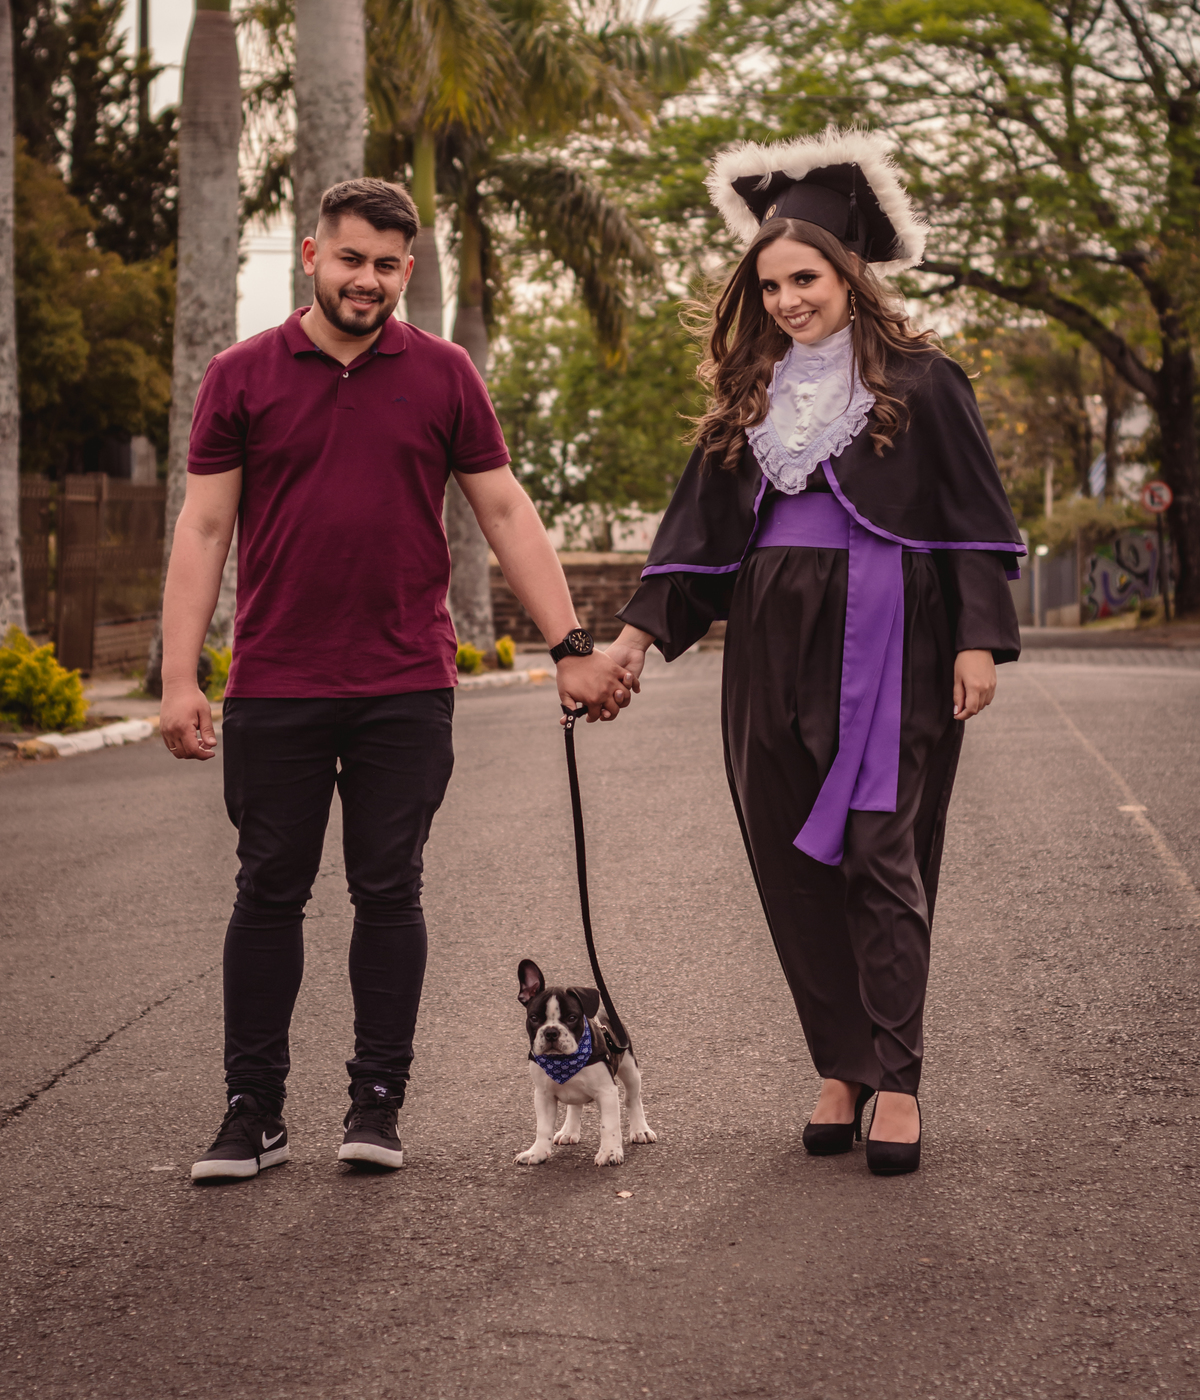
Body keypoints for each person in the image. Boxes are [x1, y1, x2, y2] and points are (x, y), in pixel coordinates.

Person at [161, 177, 636, 1184]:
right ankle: (253, 1112)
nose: (366, 280)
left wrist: (572, 647)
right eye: (349, 259)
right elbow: (203, 527)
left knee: (389, 891)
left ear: (407, 271)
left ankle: (376, 1102)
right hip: (275, 681)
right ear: (310, 256)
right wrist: (177, 676)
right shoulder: (241, 376)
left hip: (405, 681)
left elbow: (505, 511)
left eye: (386, 265)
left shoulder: (444, 373)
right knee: (267, 891)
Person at [605, 130, 1023, 1176]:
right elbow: (691, 545)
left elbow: (972, 518)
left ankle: (897, 1074)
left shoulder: (924, 383)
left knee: (880, 851)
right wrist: (625, 646)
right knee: (788, 857)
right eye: (774, 282)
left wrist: (978, 639)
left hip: (890, 639)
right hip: (767, 644)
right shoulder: (747, 399)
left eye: (809, 278)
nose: (790, 298)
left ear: (851, 275)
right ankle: (839, 1063)